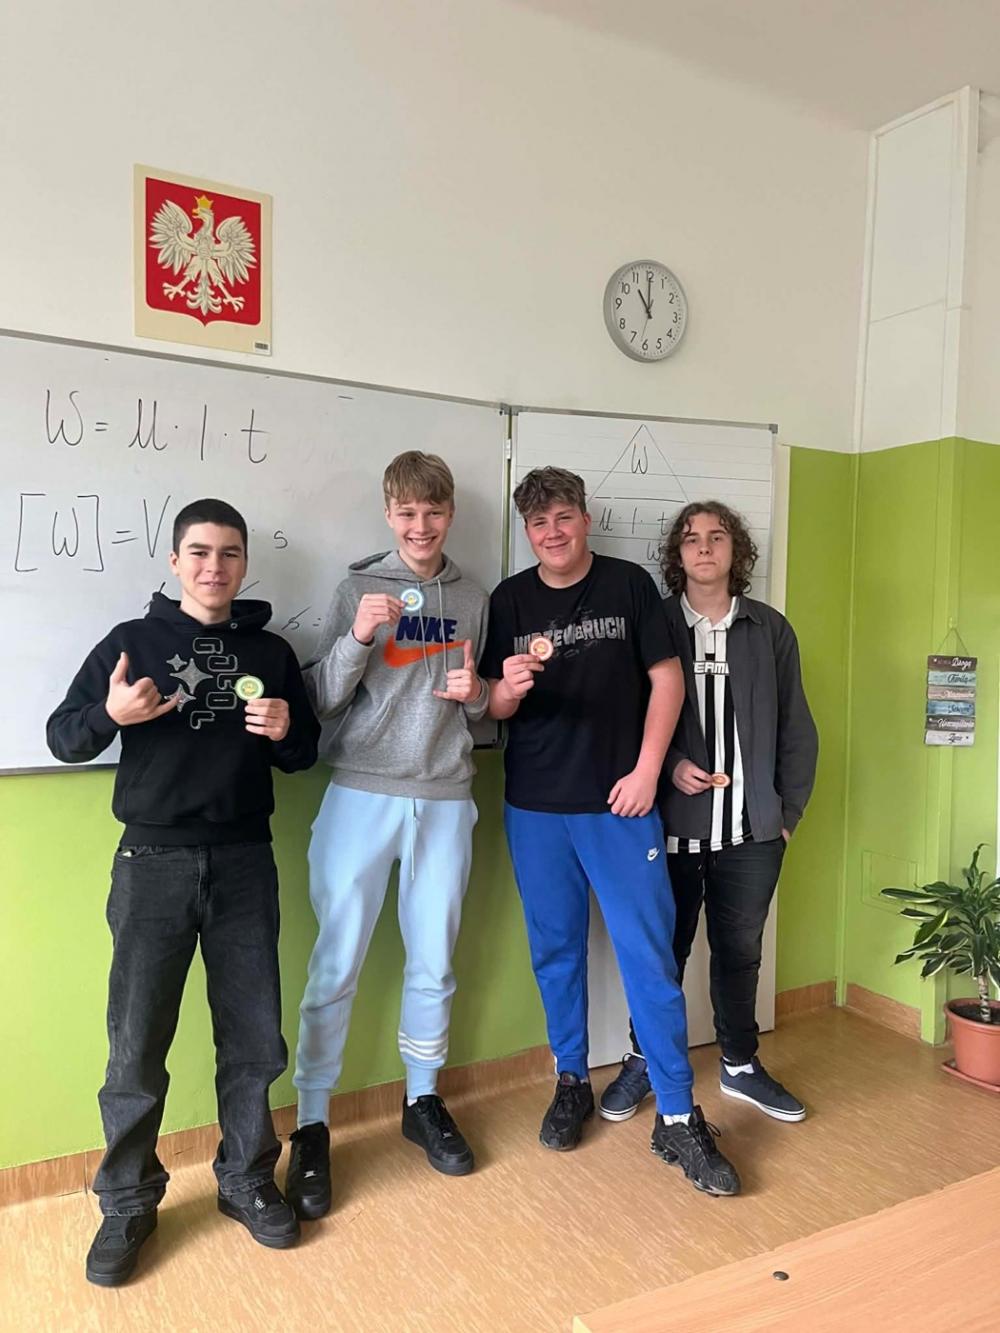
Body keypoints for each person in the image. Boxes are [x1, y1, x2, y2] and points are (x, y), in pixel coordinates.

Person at [46, 498, 320, 1287]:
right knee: (136, 1043)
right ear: (175, 561)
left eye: (229, 553)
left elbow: (304, 751)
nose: (214, 566)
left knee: (255, 1037)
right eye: (199, 552)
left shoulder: (271, 649)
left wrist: (286, 732)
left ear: (244, 564)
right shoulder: (130, 643)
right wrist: (110, 713)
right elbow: (63, 736)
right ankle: (127, 1201)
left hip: (245, 862)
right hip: (152, 862)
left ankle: (246, 1177)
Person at [480, 467, 741, 1197]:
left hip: (621, 806)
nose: (552, 533)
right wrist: (507, 690)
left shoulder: (628, 586)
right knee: (555, 952)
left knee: (649, 959)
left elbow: (668, 681)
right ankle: (571, 1079)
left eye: (562, 517)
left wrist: (648, 771)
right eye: (538, 523)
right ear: (526, 532)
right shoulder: (509, 598)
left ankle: (679, 1114)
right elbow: (493, 706)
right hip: (535, 807)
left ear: (585, 519)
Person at [287, 451, 489, 1219]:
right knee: (336, 960)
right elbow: (321, 698)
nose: (421, 525)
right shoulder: (356, 588)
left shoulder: (473, 597)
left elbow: (479, 708)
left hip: (444, 795)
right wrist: (359, 637)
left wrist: (478, 696)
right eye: (407, 512)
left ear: (450, 514)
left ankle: (423, 1098)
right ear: (388, 514)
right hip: (360, 794)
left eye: (433, 512)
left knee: (435, 957)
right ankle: (312, 1121)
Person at [599, 501, 818, 1127]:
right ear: (677, 554)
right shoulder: (657, 624)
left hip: (752, 833)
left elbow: (798, 730)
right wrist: (669, 766)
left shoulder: (769, 629)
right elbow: (627, 718)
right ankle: (645, 1058)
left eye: (717, 536)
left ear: (735, 550)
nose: (704, 547)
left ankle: (740, 1063)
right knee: (661, 953)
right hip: (670, 829)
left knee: (740, 951)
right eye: (691, 538)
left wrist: (785, 815)